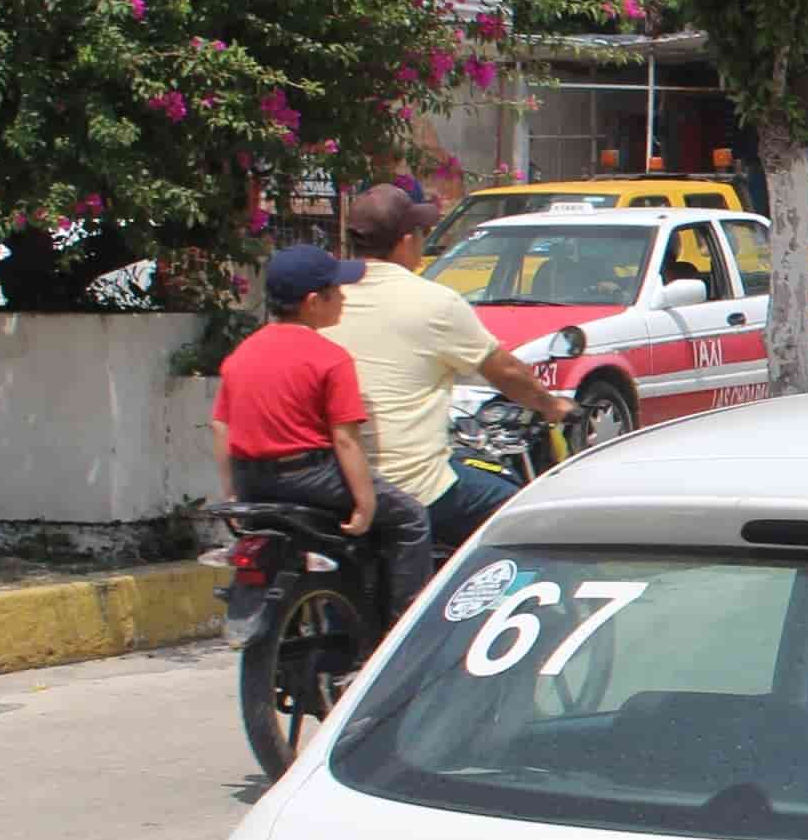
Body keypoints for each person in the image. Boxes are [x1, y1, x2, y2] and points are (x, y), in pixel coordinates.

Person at [326, 187, 574, 547]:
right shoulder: (433, 301)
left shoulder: (326, 298)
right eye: (422, 235)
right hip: (412, 484)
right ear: (407, 241)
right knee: (518, 514)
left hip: (333, 480)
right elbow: (504, 371)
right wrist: (552, 406)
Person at [213, 247, 433, 614]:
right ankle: (406, 639)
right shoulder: (330, 357)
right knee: (411, 518)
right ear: (314, 302)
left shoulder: (242, 355)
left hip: (253, 481)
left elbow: (221, 426)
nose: (344, 297)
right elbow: (346, 441)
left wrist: (234, 491)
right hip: (311, 477)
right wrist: (365, 503)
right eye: (337, 290)